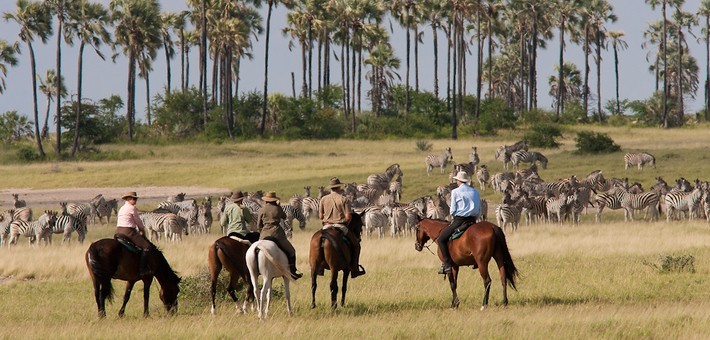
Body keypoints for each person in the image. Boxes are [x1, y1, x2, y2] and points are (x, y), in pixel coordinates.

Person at [319, 177, 366, 278]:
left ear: (331, 188)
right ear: (339, 187)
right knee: (356, 245)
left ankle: (320, 267)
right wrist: (343, 221)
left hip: (326, 226)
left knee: (319, 243)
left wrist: (328, 220)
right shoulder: (344, 199)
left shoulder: (323, 199)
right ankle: (355, 269)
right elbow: (348, 217)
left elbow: (321, 217)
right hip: (340, 226)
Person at [437, 171, 481, 274]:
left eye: (456, 180)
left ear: (458, 181)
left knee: (441, 239)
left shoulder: (455, 192)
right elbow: (479, 209)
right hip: (473, 220)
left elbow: (452, 210)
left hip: (459, 220)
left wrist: (454, 218)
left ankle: (447, 264)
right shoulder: (475, 191)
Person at [257, 191, 302, 280]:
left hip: (264, 235)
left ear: (266, 200)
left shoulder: (261, 209)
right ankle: (293, 271)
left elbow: (259, 225)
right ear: (274, 200)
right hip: (277, 234)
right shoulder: (278, 208)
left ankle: (255, 269)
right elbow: (284, 217)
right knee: (291, 251)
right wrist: (278, 206)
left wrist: (262, 231)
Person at [115, 191, 155, 276]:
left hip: (118, 231)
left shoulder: (122, 208)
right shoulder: (132, 208)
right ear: (128, 199)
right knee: (147, 247)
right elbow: (138, 222)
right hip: (129, 232)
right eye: (134, 198)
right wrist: (143, 231)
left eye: (136, 198)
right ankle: (142, 269)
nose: (135, 200)